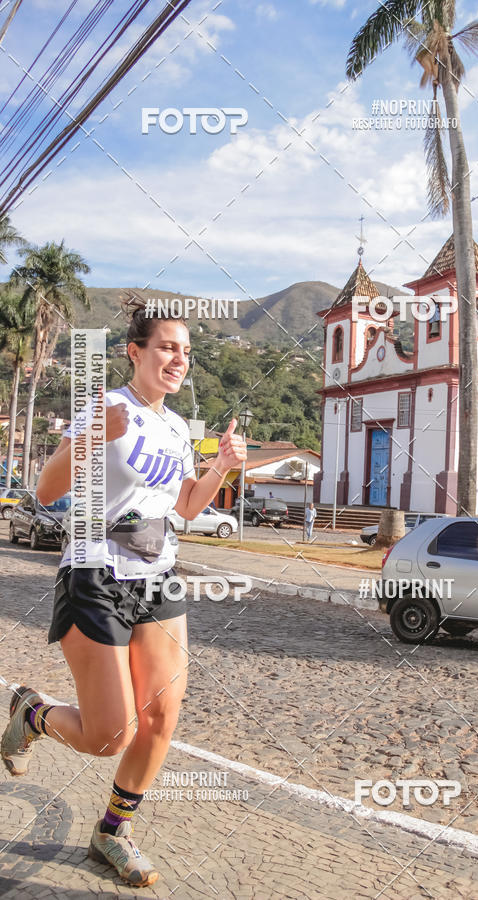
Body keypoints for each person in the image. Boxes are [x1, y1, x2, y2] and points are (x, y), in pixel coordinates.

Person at [1, 298, 246, 887]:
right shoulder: (106, 407)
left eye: (185, 351)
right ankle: (31, 713)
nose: (177, 359)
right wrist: (88, 438)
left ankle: (113, 831)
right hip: (95, 573)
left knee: (161, 715)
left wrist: (223, 468)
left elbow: (185, 507)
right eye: (166, 347)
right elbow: (47, 488)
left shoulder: (178, 428)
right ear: (135, 352)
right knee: (111, 735)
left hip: (159, 576)